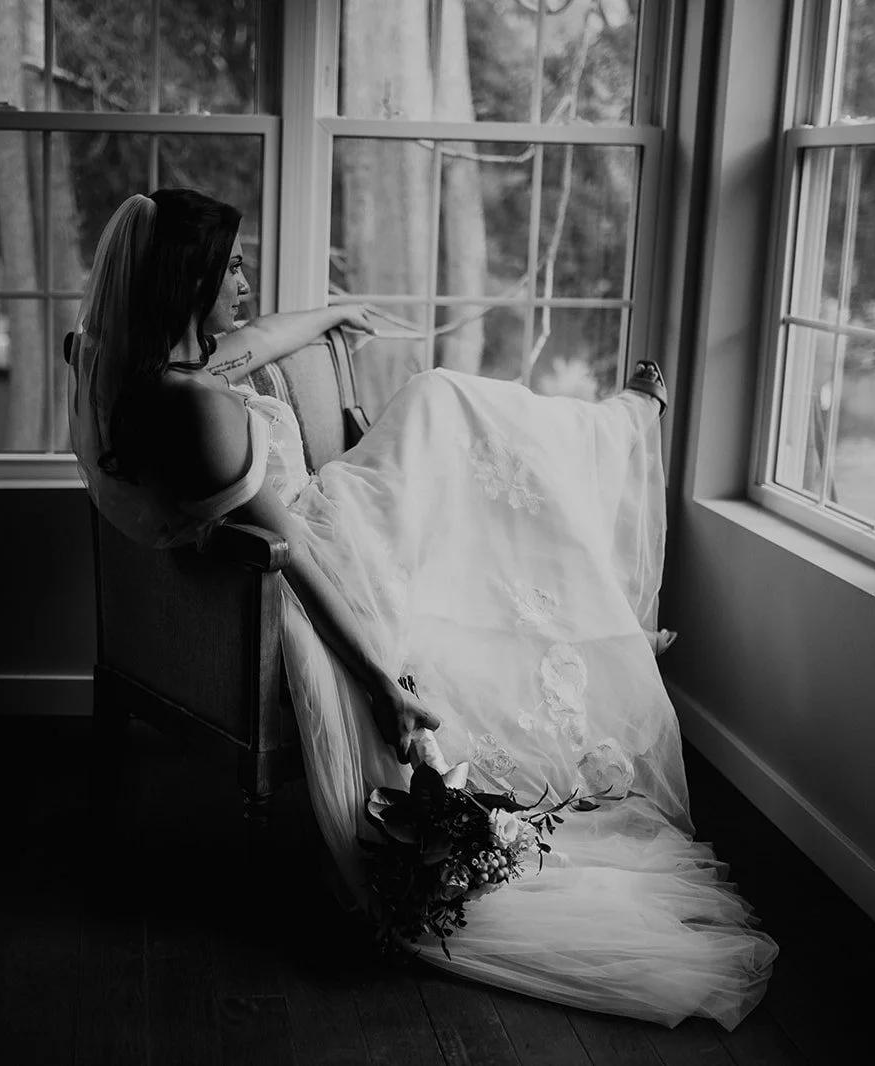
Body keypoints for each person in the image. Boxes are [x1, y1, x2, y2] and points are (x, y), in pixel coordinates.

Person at [69, 188, 777, 1030]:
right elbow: (294, 556)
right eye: (233, 268)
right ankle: (617, 448)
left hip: (330, 515)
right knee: (445, 405)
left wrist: (335, 313)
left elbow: (264, 338)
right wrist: (380, 682)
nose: (247, 281)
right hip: (331, 547)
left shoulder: (172, 370)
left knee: (456, 425)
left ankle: (605, 536)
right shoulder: (198, 407)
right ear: (190, 282)